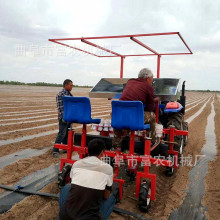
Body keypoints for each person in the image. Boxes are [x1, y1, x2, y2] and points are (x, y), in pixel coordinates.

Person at [59, 139, 117, 220]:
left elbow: (73, 184)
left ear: (88, 151)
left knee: (67, 187)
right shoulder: (108, 169)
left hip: (65, 217)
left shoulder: (76, 164)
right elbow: (106, 195)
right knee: (111, 197)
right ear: (102, 153)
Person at [112, 68, 158, 151]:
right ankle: (152, 141)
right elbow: (150, 108)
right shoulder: (149, 87)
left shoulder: (130, 82)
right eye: (152, 78)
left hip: (119, 115)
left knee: (120, 117)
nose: (152, 80)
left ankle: (116, 145)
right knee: (152, 116)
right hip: (135, 118)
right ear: (148, 78)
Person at [53, 79, 73, 157]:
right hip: (63, 118)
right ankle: (55, 150)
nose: (72, 87)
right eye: (70, 85)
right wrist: (64, 117)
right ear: (66, 85)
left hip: (69, 117)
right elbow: (60, 108)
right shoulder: (60, 94)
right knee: (62, 133)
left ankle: (65, 148)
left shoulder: (70, 95)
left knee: (67, 134)